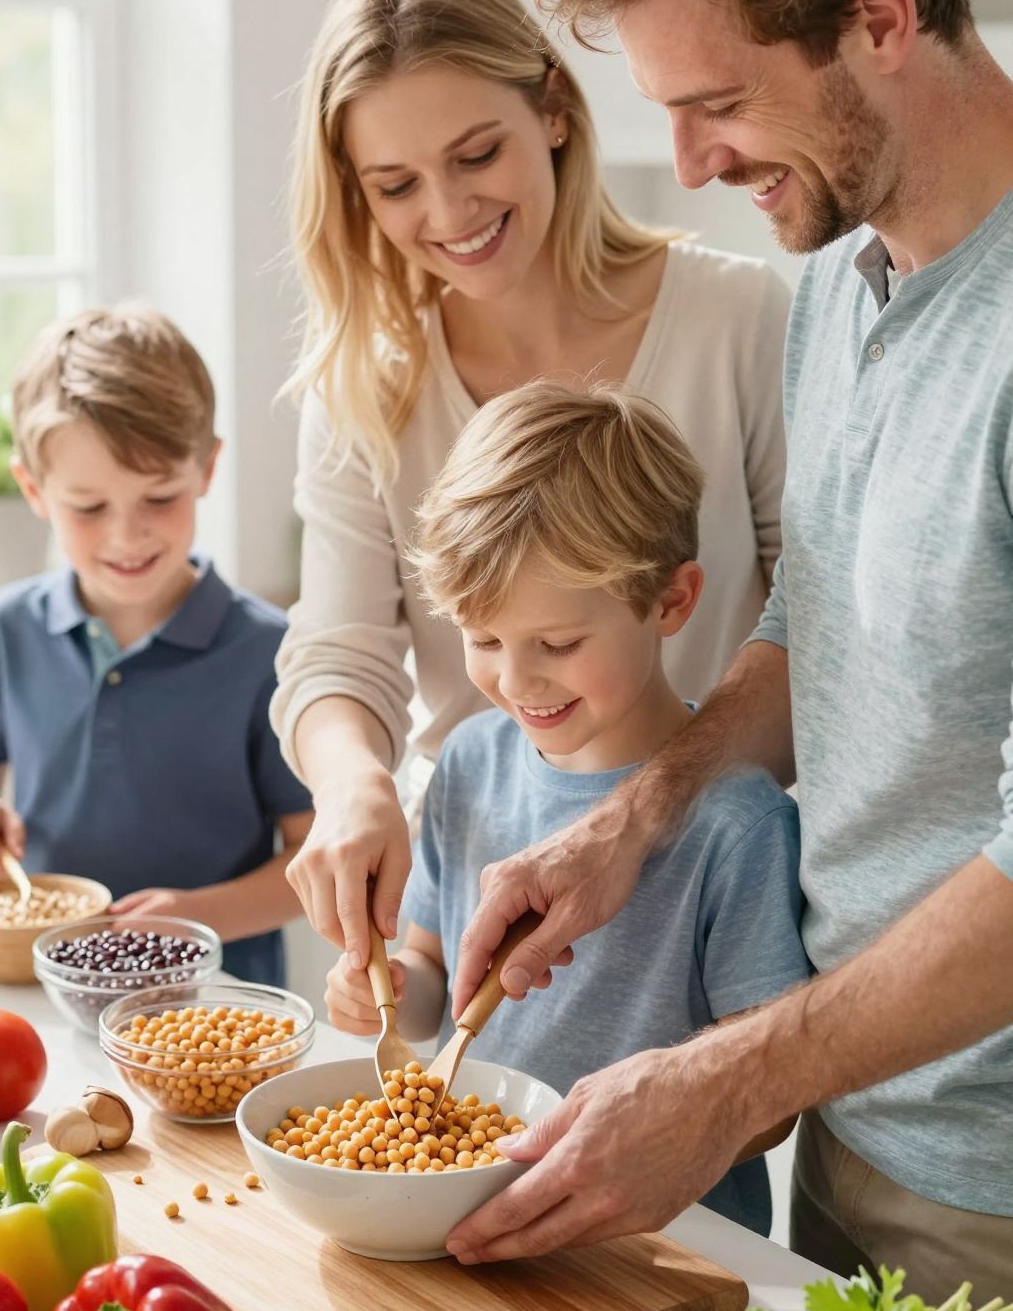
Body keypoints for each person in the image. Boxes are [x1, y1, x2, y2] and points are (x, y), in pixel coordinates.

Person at [445, 0, 1013, 1303]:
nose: (690, 165)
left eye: (717, 104)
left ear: (881, 18)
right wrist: (635, 819)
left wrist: (725, 1081)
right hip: (856, 1126)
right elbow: (816, 631)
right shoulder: (838, 276)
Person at [272, 0, 791, 968]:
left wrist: (642, 810)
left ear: (553, 108)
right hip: (480, 899)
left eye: (477, 155)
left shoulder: (738, 319)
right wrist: (353, 783)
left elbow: (818, 618)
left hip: (704, 874)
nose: (448, 213)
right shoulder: (363, 388)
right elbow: (338, 651)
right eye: (395, 184)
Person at [324, 379, 808, 1236]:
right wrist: (394, 992)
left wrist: (653, 1124)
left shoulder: (739, 823)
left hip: (663, 1245)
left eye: (558, 643)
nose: (517, 680)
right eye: (483, 640)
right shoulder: (469, 761)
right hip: (474, 1213)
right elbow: (434, 976)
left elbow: (770, 1101)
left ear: (671, 601)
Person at [0, 306, 313, 985]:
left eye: (159, 497)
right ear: (33, 490)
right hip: (46, 981)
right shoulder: (9, 627)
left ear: (206, 469)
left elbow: (312, 858)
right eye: (89, 507)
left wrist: (200, 918)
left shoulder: (268, 652)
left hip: (215, 1001)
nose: (127, 536)